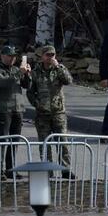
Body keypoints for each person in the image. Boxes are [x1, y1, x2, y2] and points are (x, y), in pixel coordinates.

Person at [27, 45, 74, 178]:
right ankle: (48, 171)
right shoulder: (36, 72)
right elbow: (30, 92)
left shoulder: (59, 69)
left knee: (63, 142)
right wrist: (37, 104)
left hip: (58, 112)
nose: (50, 57)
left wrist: (59, 66)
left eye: (52, 55)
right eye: (47, 55)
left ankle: (65, 170)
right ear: (42, 56)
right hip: (42, 114)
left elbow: (68, 81)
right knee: (45, 144)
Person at [0, 44, 31, 178]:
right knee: (3, 139)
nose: (12, 59)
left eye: (14, 56)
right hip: (3, 108)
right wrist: (20, 72)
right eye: (9, 56)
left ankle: (10, 168)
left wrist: (27, 75)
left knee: (15, 139)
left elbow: (27, 85)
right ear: (2, 56)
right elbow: (4, 83)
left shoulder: (15, 69)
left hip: (17, 108)